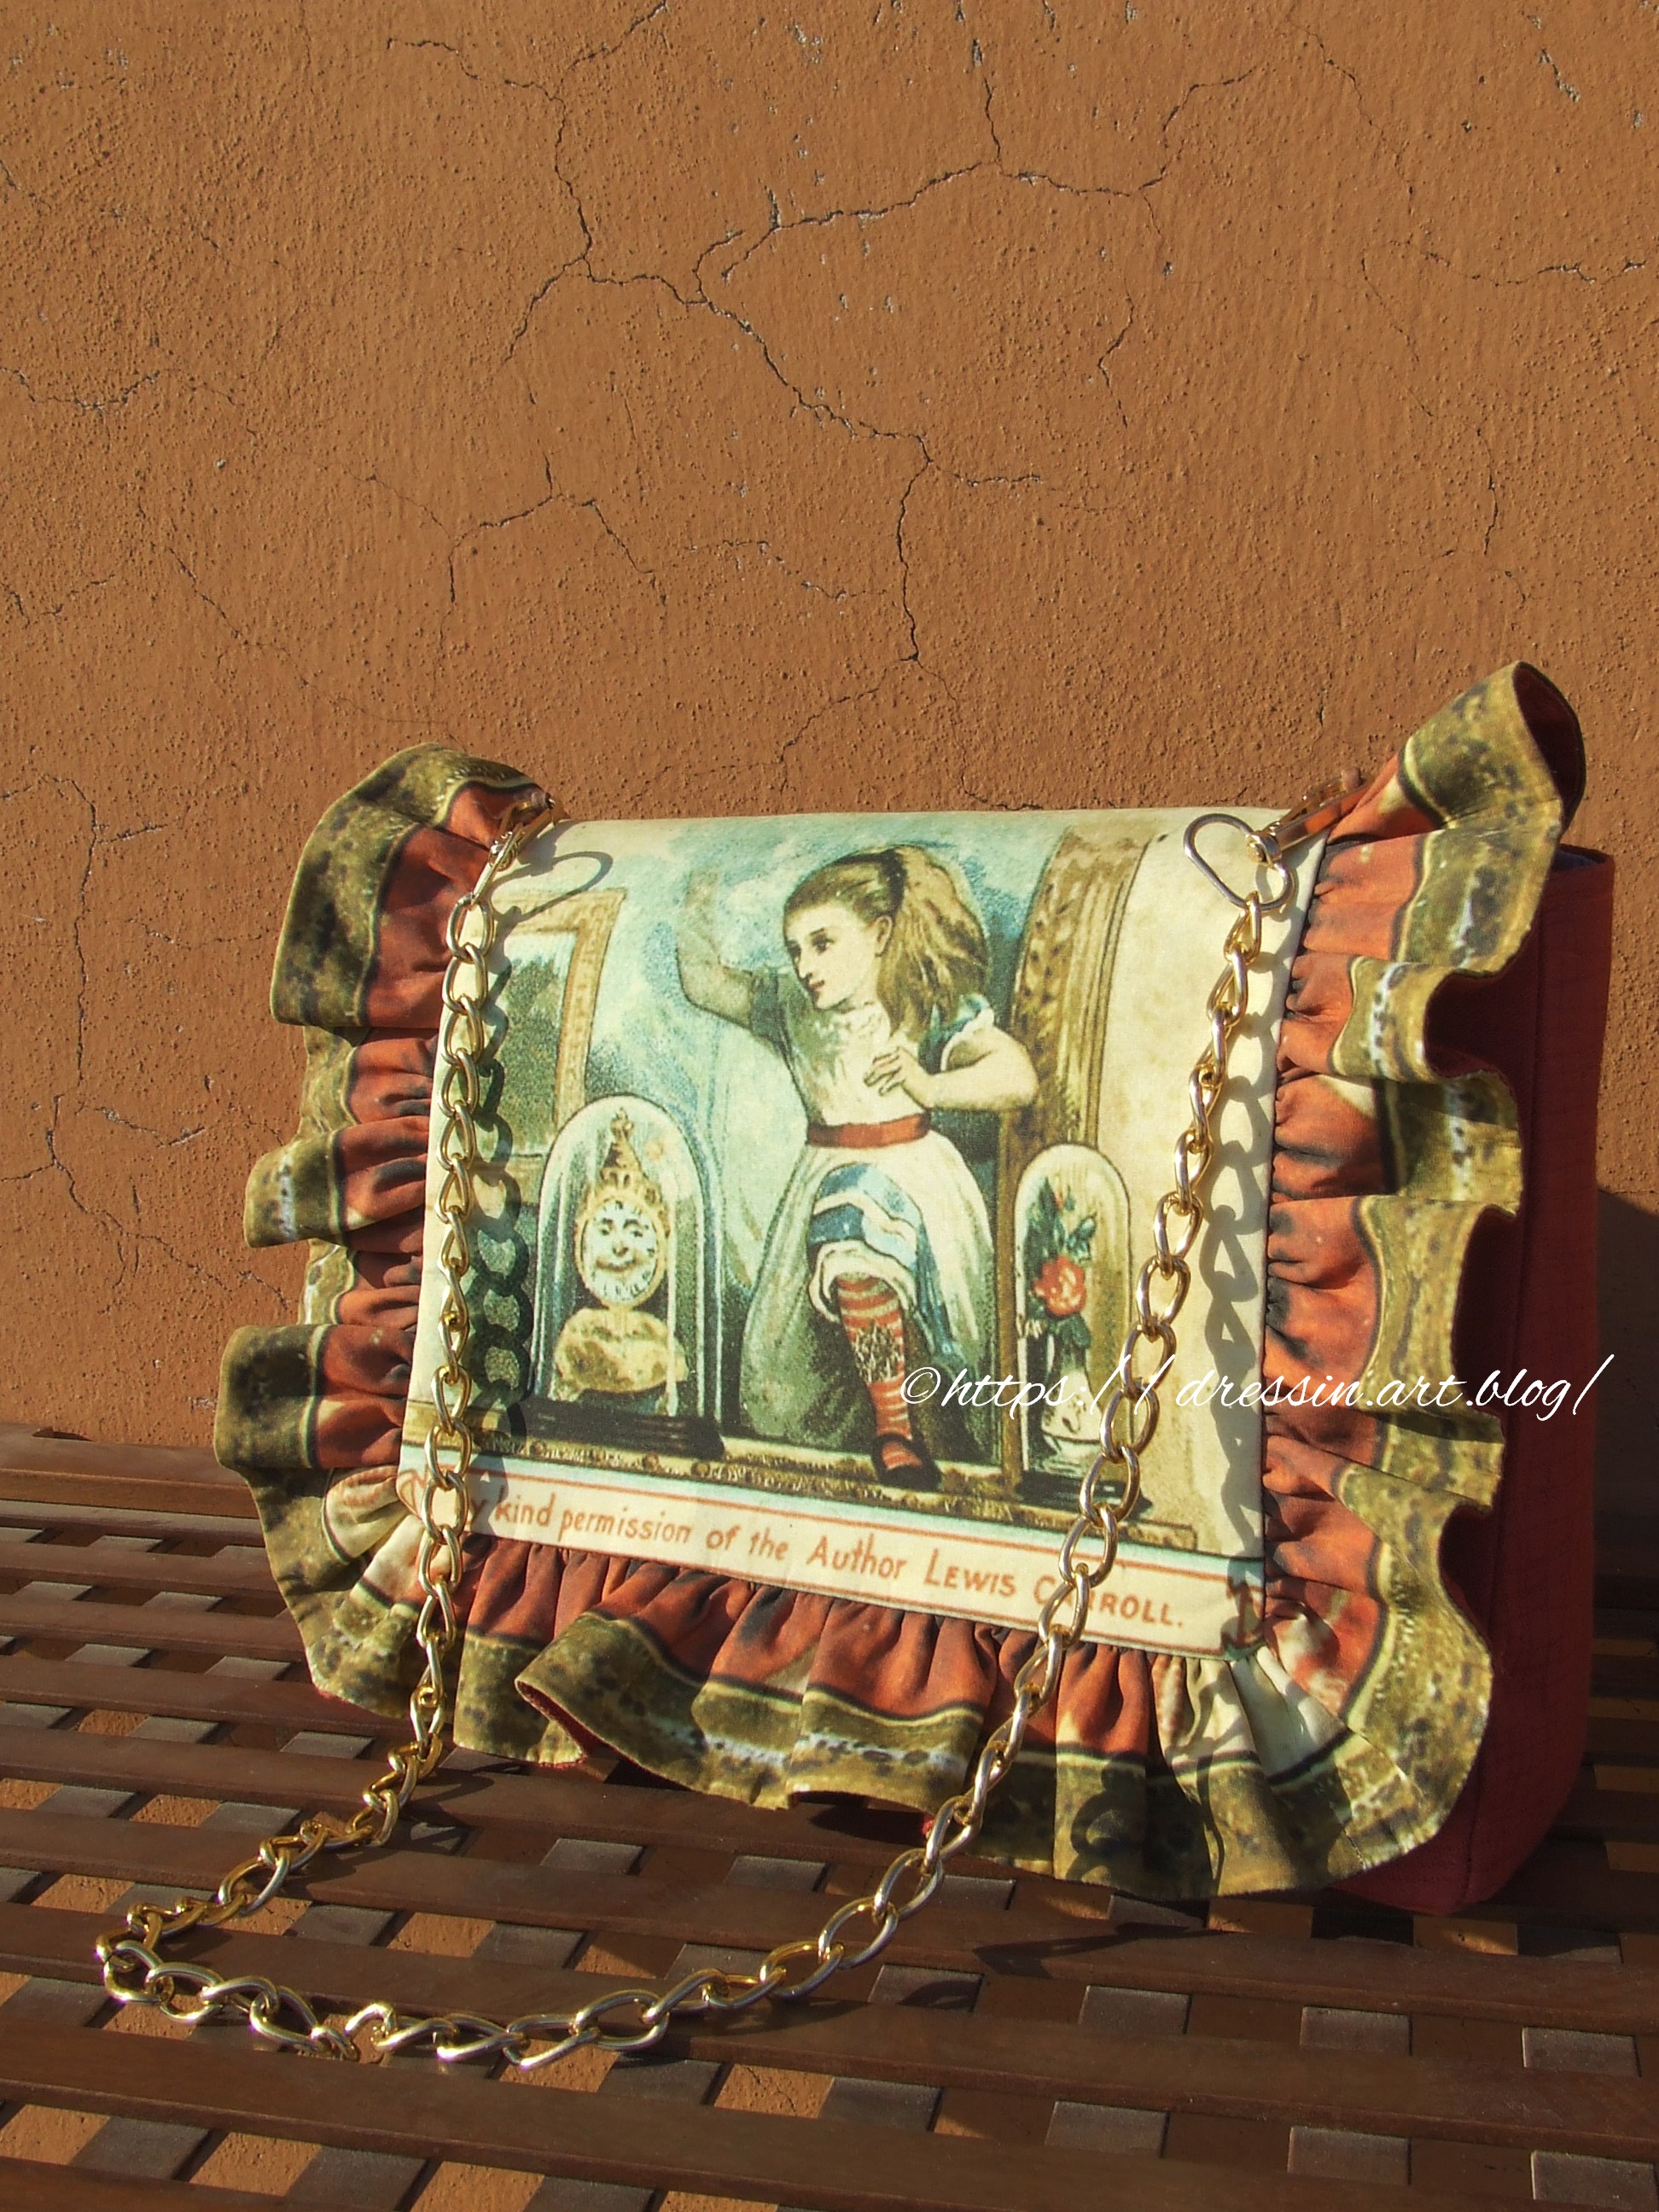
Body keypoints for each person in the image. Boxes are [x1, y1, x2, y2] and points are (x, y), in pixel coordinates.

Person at [677, 846, 1037, 1487]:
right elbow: (703, 983)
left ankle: (897, 1430)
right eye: (795, 950)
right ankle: (877, 1436)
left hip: (915, 1181)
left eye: (823, 943)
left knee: (854, 1218)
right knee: (794, 1379)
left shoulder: (920, 1005)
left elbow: (1017, 1078)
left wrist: (932, 1087)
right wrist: (696, 896)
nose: (806, 966)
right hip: (820, 1175)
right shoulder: (791, 1006)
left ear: (879, 934)